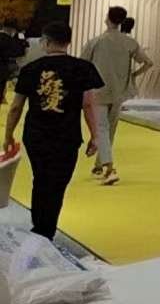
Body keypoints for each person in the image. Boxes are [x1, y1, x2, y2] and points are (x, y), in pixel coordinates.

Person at [4, 24, 105, 239]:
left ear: (46, 42)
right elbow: (88, 105)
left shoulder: (30, 69)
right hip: (67, 136)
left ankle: (40, 226)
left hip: (36, 135)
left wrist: (8, 135)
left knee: (40, 178)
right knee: (58, 183)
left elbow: (16, 107)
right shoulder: (83, 68)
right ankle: (46, 229)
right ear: (68, 42)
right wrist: (95, 136)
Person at [80, 6, 151, 185]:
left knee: (101, 128)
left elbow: (82, 65)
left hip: (98, 90)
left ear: (107, 19)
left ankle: (109, 168)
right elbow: (148, 62)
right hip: (119, 90)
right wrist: (133, 75)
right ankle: (100, 164)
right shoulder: (129, 42)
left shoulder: (96, 42)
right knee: (110, 129)